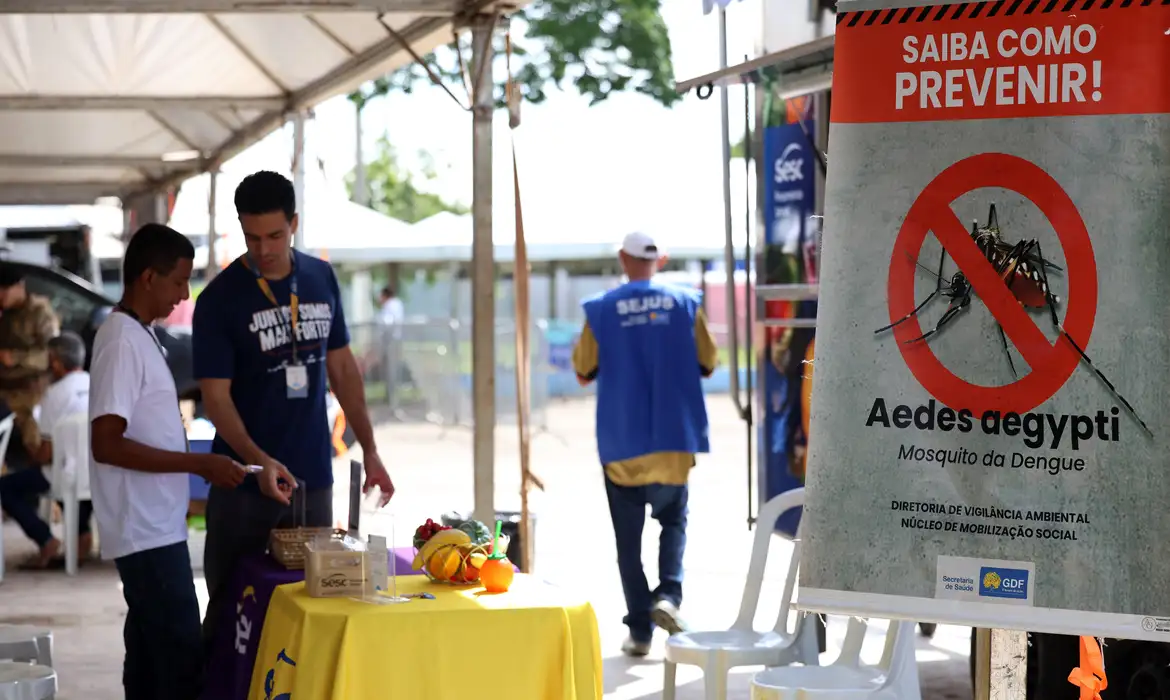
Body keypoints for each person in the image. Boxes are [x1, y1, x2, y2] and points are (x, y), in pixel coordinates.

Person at [193, 170, 395, 657]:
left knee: (311, 606)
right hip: (243, 481)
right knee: (231, 613)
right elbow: (215, 401)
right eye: (252, 237)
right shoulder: (220, 299)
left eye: (275, 236)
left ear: (295, 224)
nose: (263, 249)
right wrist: (259, 463)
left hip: (311, 481)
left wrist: (371, 450)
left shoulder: (321, 278)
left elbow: (343, 370)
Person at [88, 223, 253, 700]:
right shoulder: (121, 340)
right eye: (179, 281)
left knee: (147, 656)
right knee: (181, 659)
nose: (184, 295)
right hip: (144, 531)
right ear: (147, 277)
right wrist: (197, 466)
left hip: (154, 524)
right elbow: (107, 442)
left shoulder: (139, 334)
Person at [571, 231, 718, 657]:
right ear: (662, 260)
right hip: (673, 441)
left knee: (627, 544)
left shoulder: (600, 309)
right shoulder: (686, 303)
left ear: (622, 258)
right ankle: (668, 595)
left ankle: (639, 632)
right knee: (674, 522)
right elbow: (708, 363)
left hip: (622, 445)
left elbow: (583, 371)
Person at [0, 331, 92, 570]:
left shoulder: (54, 394)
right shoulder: (97, 384)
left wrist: (32, 457)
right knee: (71, 473)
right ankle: (83, 537)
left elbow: (47, 453)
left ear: (56, 362)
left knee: (7, 487)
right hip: (100, 473)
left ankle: (46, 540)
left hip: (68, 476)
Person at [0, 264, 60, 471]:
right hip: (6, 392)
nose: (1, 295)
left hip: (32, 393)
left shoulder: (39, 311)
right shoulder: (5, 314)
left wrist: (15, 357)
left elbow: (52, 353)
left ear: (19, 286)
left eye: (4, 289)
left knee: (36, 449)